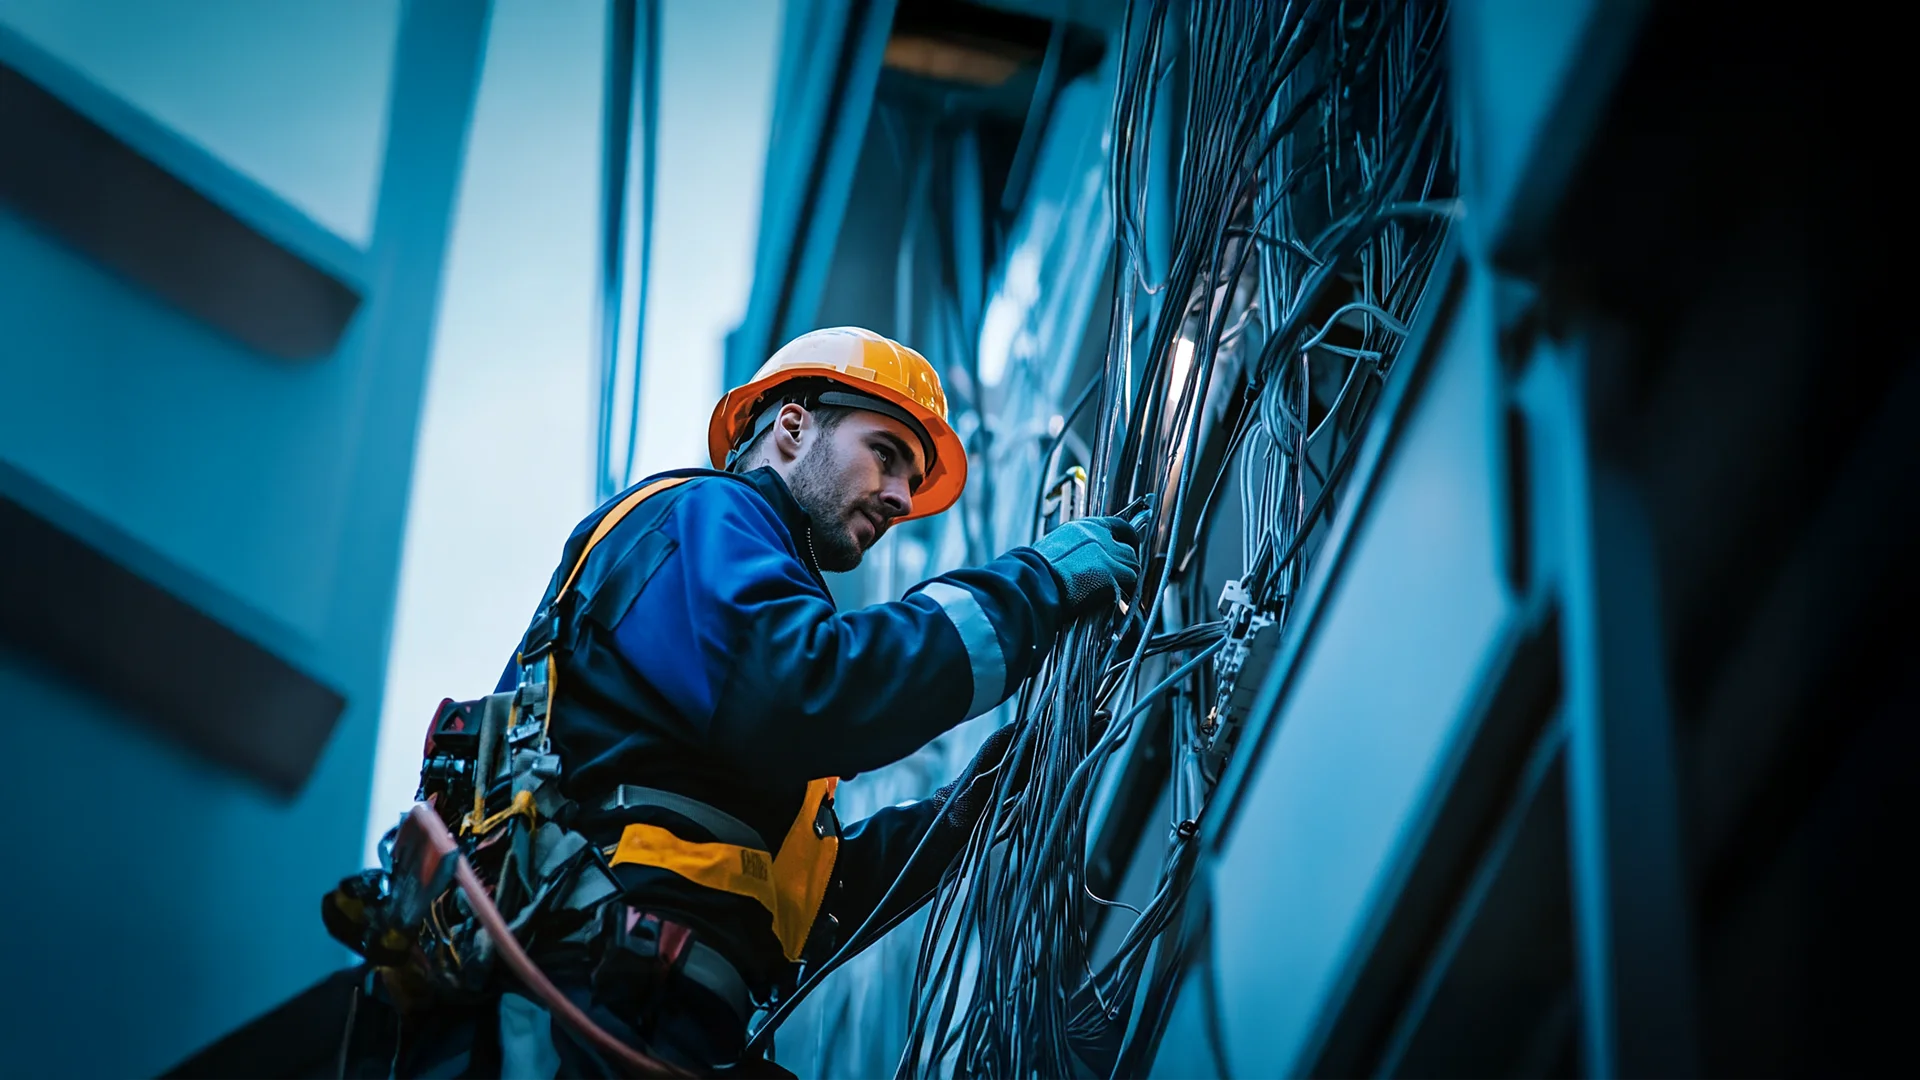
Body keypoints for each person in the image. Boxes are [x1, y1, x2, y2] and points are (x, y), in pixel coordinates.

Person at [356, 327, 1142, 1077]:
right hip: (591, 1002)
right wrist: (1037, 585)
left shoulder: (743, 648)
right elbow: (812, 692)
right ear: (793, 427)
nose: (902, 497)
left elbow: (813, 908)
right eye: (887, 453)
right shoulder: (705, 515)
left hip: (652, 1011)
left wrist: (986, 799)